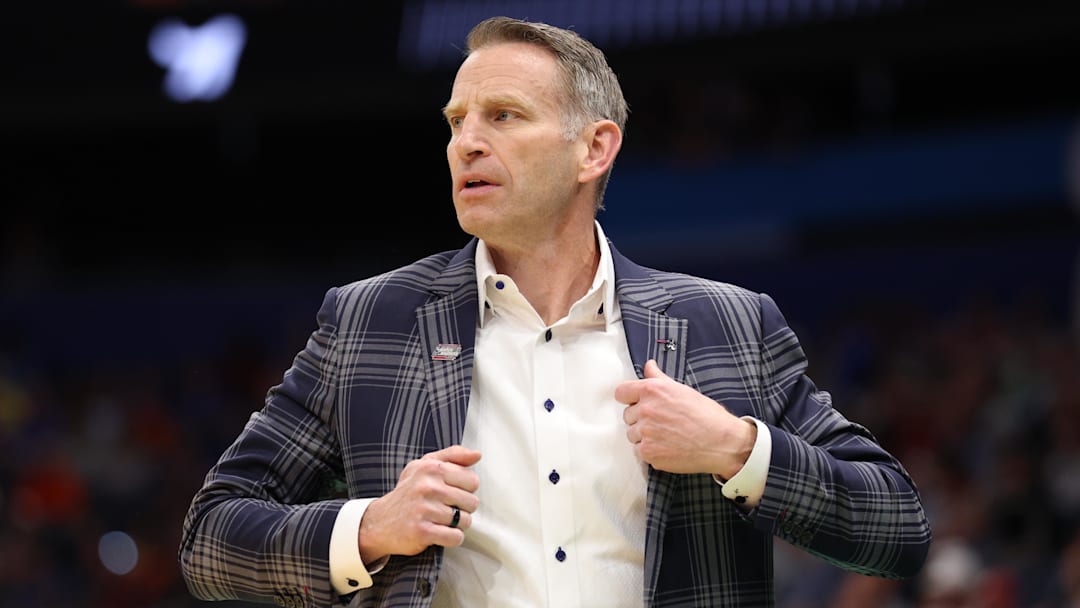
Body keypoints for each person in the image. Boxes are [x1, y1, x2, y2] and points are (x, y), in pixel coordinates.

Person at [178, 15, 932, 608]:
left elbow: (897, 529)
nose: (466, 142)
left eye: (503, 116)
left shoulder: (726, 324)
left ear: (594, 148)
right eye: (455, 120)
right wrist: (369, 527)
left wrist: (738, 450)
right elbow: (210, 539)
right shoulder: (369, 320)